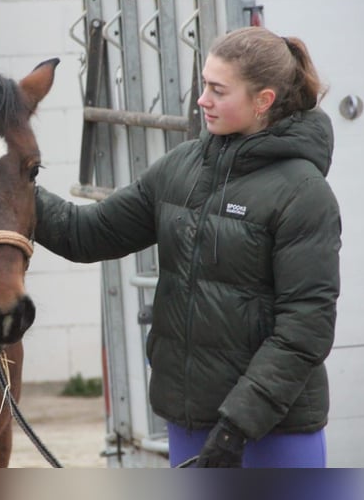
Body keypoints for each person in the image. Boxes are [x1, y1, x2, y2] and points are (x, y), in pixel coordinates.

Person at [34, 26, 341, 468]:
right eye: (204, 85)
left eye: (218, 90)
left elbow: (305, 330)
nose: (202, 100)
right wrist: (1, 183)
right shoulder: (181, 168)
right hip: (190, 425)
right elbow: (88, 234)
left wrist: (237, 427)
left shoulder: (304, 193)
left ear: (263, 101)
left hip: (272, 433)